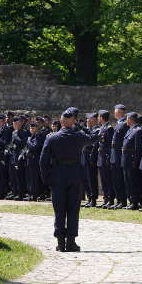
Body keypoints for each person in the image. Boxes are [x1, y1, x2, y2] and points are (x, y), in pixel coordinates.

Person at [39, 107, 92, 252]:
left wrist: (47, 179)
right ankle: (71, 242)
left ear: (61, 122)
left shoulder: (52, 138)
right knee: (73, 210)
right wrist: (79, 126)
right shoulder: (79, 136)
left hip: (57, 176)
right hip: (75, 175)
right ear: (72, 121)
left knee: (59, 210)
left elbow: (43, 161)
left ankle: (61, 242)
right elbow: (93, 137)